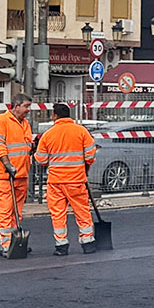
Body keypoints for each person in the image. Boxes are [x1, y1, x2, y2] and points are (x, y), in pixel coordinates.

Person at [34, 101, 99, 255]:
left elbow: (41, 160)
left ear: (54, 115)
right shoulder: (81, 131)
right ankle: (88, 242)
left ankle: (61, 245)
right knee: (82, 211)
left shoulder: (48, 135)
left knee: (58, 213)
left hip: (56, 182)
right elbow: (90, 155)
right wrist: (85, 166)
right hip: (76, 180)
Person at [0, 96, 36, 258]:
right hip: (4, 175)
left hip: (21, 174)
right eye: (26, 106)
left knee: (17, 211)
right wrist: (8, 164)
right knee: (5, 210)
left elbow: (26, 147)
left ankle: (15, 240)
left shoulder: (25, 124)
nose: (29, 109)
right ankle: (6, 244)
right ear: (16, 106)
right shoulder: (1, 121)